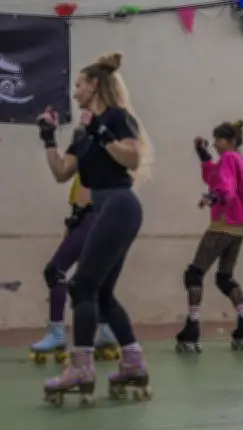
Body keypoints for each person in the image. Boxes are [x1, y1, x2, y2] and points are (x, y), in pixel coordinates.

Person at [36, 52, 153, 406]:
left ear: (95, 86)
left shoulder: (118, 118)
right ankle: (133, 363)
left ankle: (82, 368)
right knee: (101, 295)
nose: (74, 92)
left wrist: (101, 132)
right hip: (102, 207)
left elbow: (132, 158)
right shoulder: (83, 132)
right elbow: (61, 172)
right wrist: (48, 138)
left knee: (82, 285)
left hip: (119, 204)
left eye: (78, 85)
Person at [176, 121, 243, 353]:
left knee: (194, 274)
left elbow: (225, 187)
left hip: (223, 223)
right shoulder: (235, 159)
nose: (215, 143)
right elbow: (215, 176)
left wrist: (212, 197)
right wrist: (204, 155)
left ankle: (191, 328)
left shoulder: (230, 158)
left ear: (229, 141)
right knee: (225, 277)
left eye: (218, 140)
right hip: (238, 227)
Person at [29, 176, 122, 364]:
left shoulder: (91, 152)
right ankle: (105, 331)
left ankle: (57, 333)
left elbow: (86, 189)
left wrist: (76, 219)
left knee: (55, 271)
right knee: (93, 279)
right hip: (105, 217)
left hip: (91, 216)